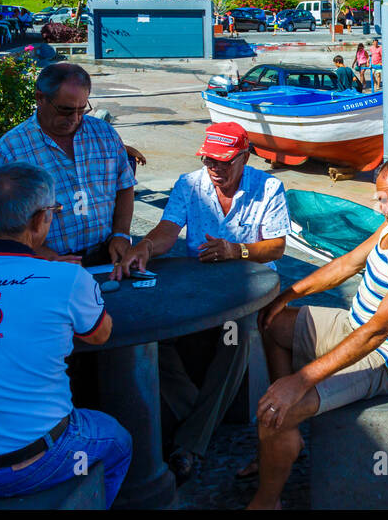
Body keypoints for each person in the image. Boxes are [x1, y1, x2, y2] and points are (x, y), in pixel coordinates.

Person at [245, 155, 388, 509]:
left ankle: (267, 501)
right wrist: (285, 297)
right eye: (383, 199)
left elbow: (379, 331)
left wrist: (301, 381)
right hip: (351, 326)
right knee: (271, 323)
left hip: (386, 359)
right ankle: (287, 436)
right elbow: (347, 265)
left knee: (271, 412)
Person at [0, 164, 132, 508]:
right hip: (29, 463)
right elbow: (100, 335)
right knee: (117, 440)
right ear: (37, 220)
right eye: (53, 213)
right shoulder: (65, 279)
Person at [119, 122, 289, 485]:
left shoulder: (269, 186)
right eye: (210, 160)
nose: (215, 168)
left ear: (245, 157)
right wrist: (144, 247)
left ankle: (189, 443)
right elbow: (167, 229)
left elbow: (276, 246)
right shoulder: (189, 184)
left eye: (224, 161)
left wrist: (237, 250)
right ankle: (198, 420)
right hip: (203, 290)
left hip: (251, 289)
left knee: (236, 336)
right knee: (150, 336)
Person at [0, 62, 136, 269]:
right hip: (43, 264)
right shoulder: (9, 151)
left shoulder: (105, 134)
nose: (74, 119)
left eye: (82, 110)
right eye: (65, 110)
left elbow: (124, 186)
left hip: (106, 256)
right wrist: (36, 252)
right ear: (40, 98)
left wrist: (121, 233)